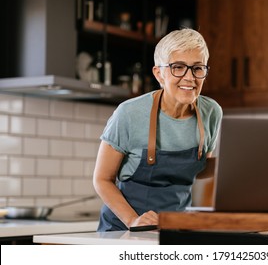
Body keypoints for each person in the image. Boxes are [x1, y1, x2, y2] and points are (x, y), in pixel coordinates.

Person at [93, 28, 223, 231]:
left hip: (176, 228)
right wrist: (133, 221)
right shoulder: (129, 113)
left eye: (198, 68)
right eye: (178, 67)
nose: (190, 78)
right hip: (123, 230)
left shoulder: (211, 112)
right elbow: (102, 179)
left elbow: (202, 174)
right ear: (159, 74)